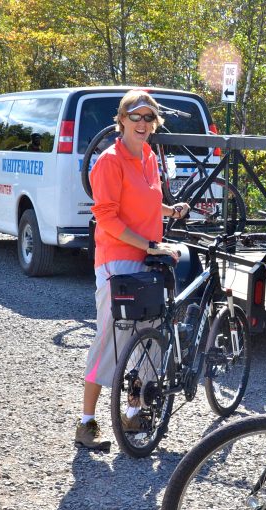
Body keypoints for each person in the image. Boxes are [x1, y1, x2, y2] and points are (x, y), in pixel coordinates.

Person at [76, 90, 189, 450]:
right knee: (112, 336)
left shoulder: (149, 157)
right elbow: (107, 217)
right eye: (136, 116)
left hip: (147, 258)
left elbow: (144, 203)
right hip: (118, 261)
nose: (143, 124)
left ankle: (133, 411)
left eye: (149, 118)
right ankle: (86, 421)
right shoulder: (110, 161)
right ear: (121, 119)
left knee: (148, 337)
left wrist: (170, 212)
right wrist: (152, 246)